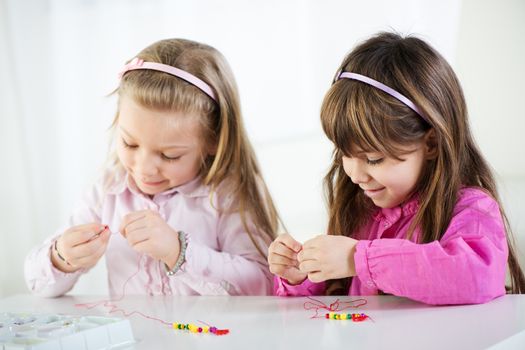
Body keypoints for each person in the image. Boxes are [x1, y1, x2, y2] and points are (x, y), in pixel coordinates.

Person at [269, 32, 525, 305]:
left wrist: (359, 258)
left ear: (431, 144)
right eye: (345, 154)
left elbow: (475, 276)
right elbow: (335, 295)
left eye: (373, 159)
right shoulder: (361, 210)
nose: (355, 175)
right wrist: (303, 275)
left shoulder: (471, 208)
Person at [25, 38, 280, 297]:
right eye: (130, 143)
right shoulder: (109, 189)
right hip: (136, 338)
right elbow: (36, 284)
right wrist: (62, 257)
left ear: (214, 139)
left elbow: (262, 284)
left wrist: (178, 251)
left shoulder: (227, 193)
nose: (144, 169)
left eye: (169, 156)